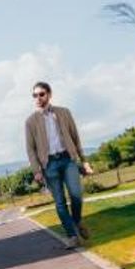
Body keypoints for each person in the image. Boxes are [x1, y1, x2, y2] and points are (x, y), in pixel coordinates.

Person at [24, 81, 94, 248]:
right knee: (60, 202)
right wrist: (37, 170)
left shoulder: (64, 112)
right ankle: (72, 236)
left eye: (41, 94)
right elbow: (30, 149)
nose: (38, 98)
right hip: (49, 165)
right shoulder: (30, 121)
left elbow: (75, 137)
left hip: (67, 159)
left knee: (76, 194)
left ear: (49, 94)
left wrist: (84, 160)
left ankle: (76, 221)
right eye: (35, 95)